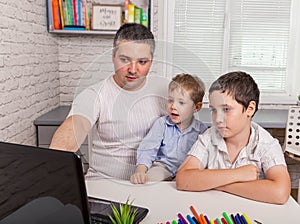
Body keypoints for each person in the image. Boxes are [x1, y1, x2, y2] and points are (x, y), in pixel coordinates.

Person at [50, 23, 168, 180]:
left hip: (148, 184)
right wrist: (50, 167)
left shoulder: (165, 90)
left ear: (151, 62)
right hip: (103, 182)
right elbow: (77, 124)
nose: (133, 70)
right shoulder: (94, 94)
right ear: (113, 56)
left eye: (142, 62)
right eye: (125, 59)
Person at [176, 71, 291, 204]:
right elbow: (183, 179)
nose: (218, 119)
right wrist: (238, 174)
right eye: (213, 110)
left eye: (226, 109)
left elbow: (280, 193)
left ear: (250, 109)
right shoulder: (210, 137)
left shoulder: (266, 144)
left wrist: (218, 184)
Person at [130, 74, 207, 184]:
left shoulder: (201, 130)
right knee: (149, 180)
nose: (173, 106)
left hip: (188, 171)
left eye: (181, 102)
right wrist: (140, 171)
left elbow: (204, 156)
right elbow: (148, 148)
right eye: (171, 100)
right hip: (163, 167)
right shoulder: (162, 124)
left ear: (197, 107)